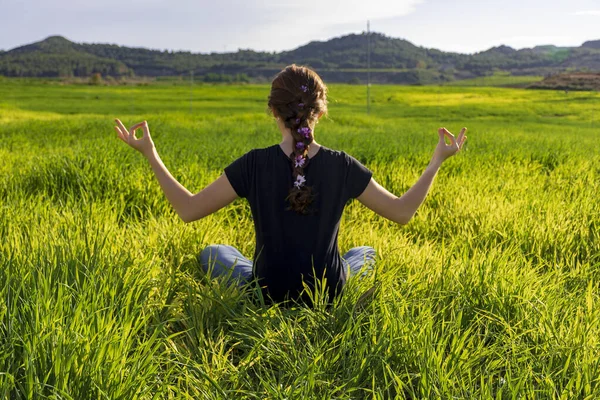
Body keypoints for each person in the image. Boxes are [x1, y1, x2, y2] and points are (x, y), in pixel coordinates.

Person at [114, 64, 466, 305]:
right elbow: (402, 212)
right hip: (327, 294)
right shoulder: (342, 165)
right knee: (366, 254)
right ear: (321, 111)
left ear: (273, 111)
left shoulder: (254, 163)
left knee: (213, 252)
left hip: (266, 292)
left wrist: (150, 152)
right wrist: (437, 161)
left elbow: (188, 210)